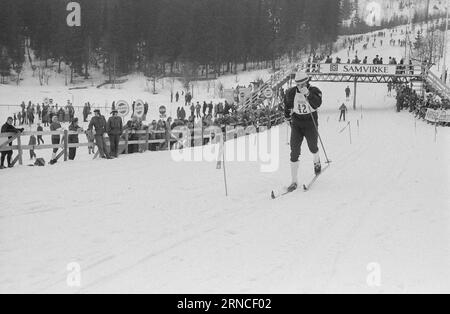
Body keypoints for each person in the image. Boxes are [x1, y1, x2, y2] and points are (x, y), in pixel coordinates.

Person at [284, 70, 323, 192]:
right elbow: (287, 105)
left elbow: (317, 104)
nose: (300, 87)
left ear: (307, 82)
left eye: (302, 84)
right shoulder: (291, 92)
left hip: (310, 122)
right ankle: (294, 181)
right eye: (298, 84)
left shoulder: (315, 90)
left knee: (312, 147)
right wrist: (287, 116)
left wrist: (308, 94)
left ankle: (316, 161)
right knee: (294, 151)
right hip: (297, 123)